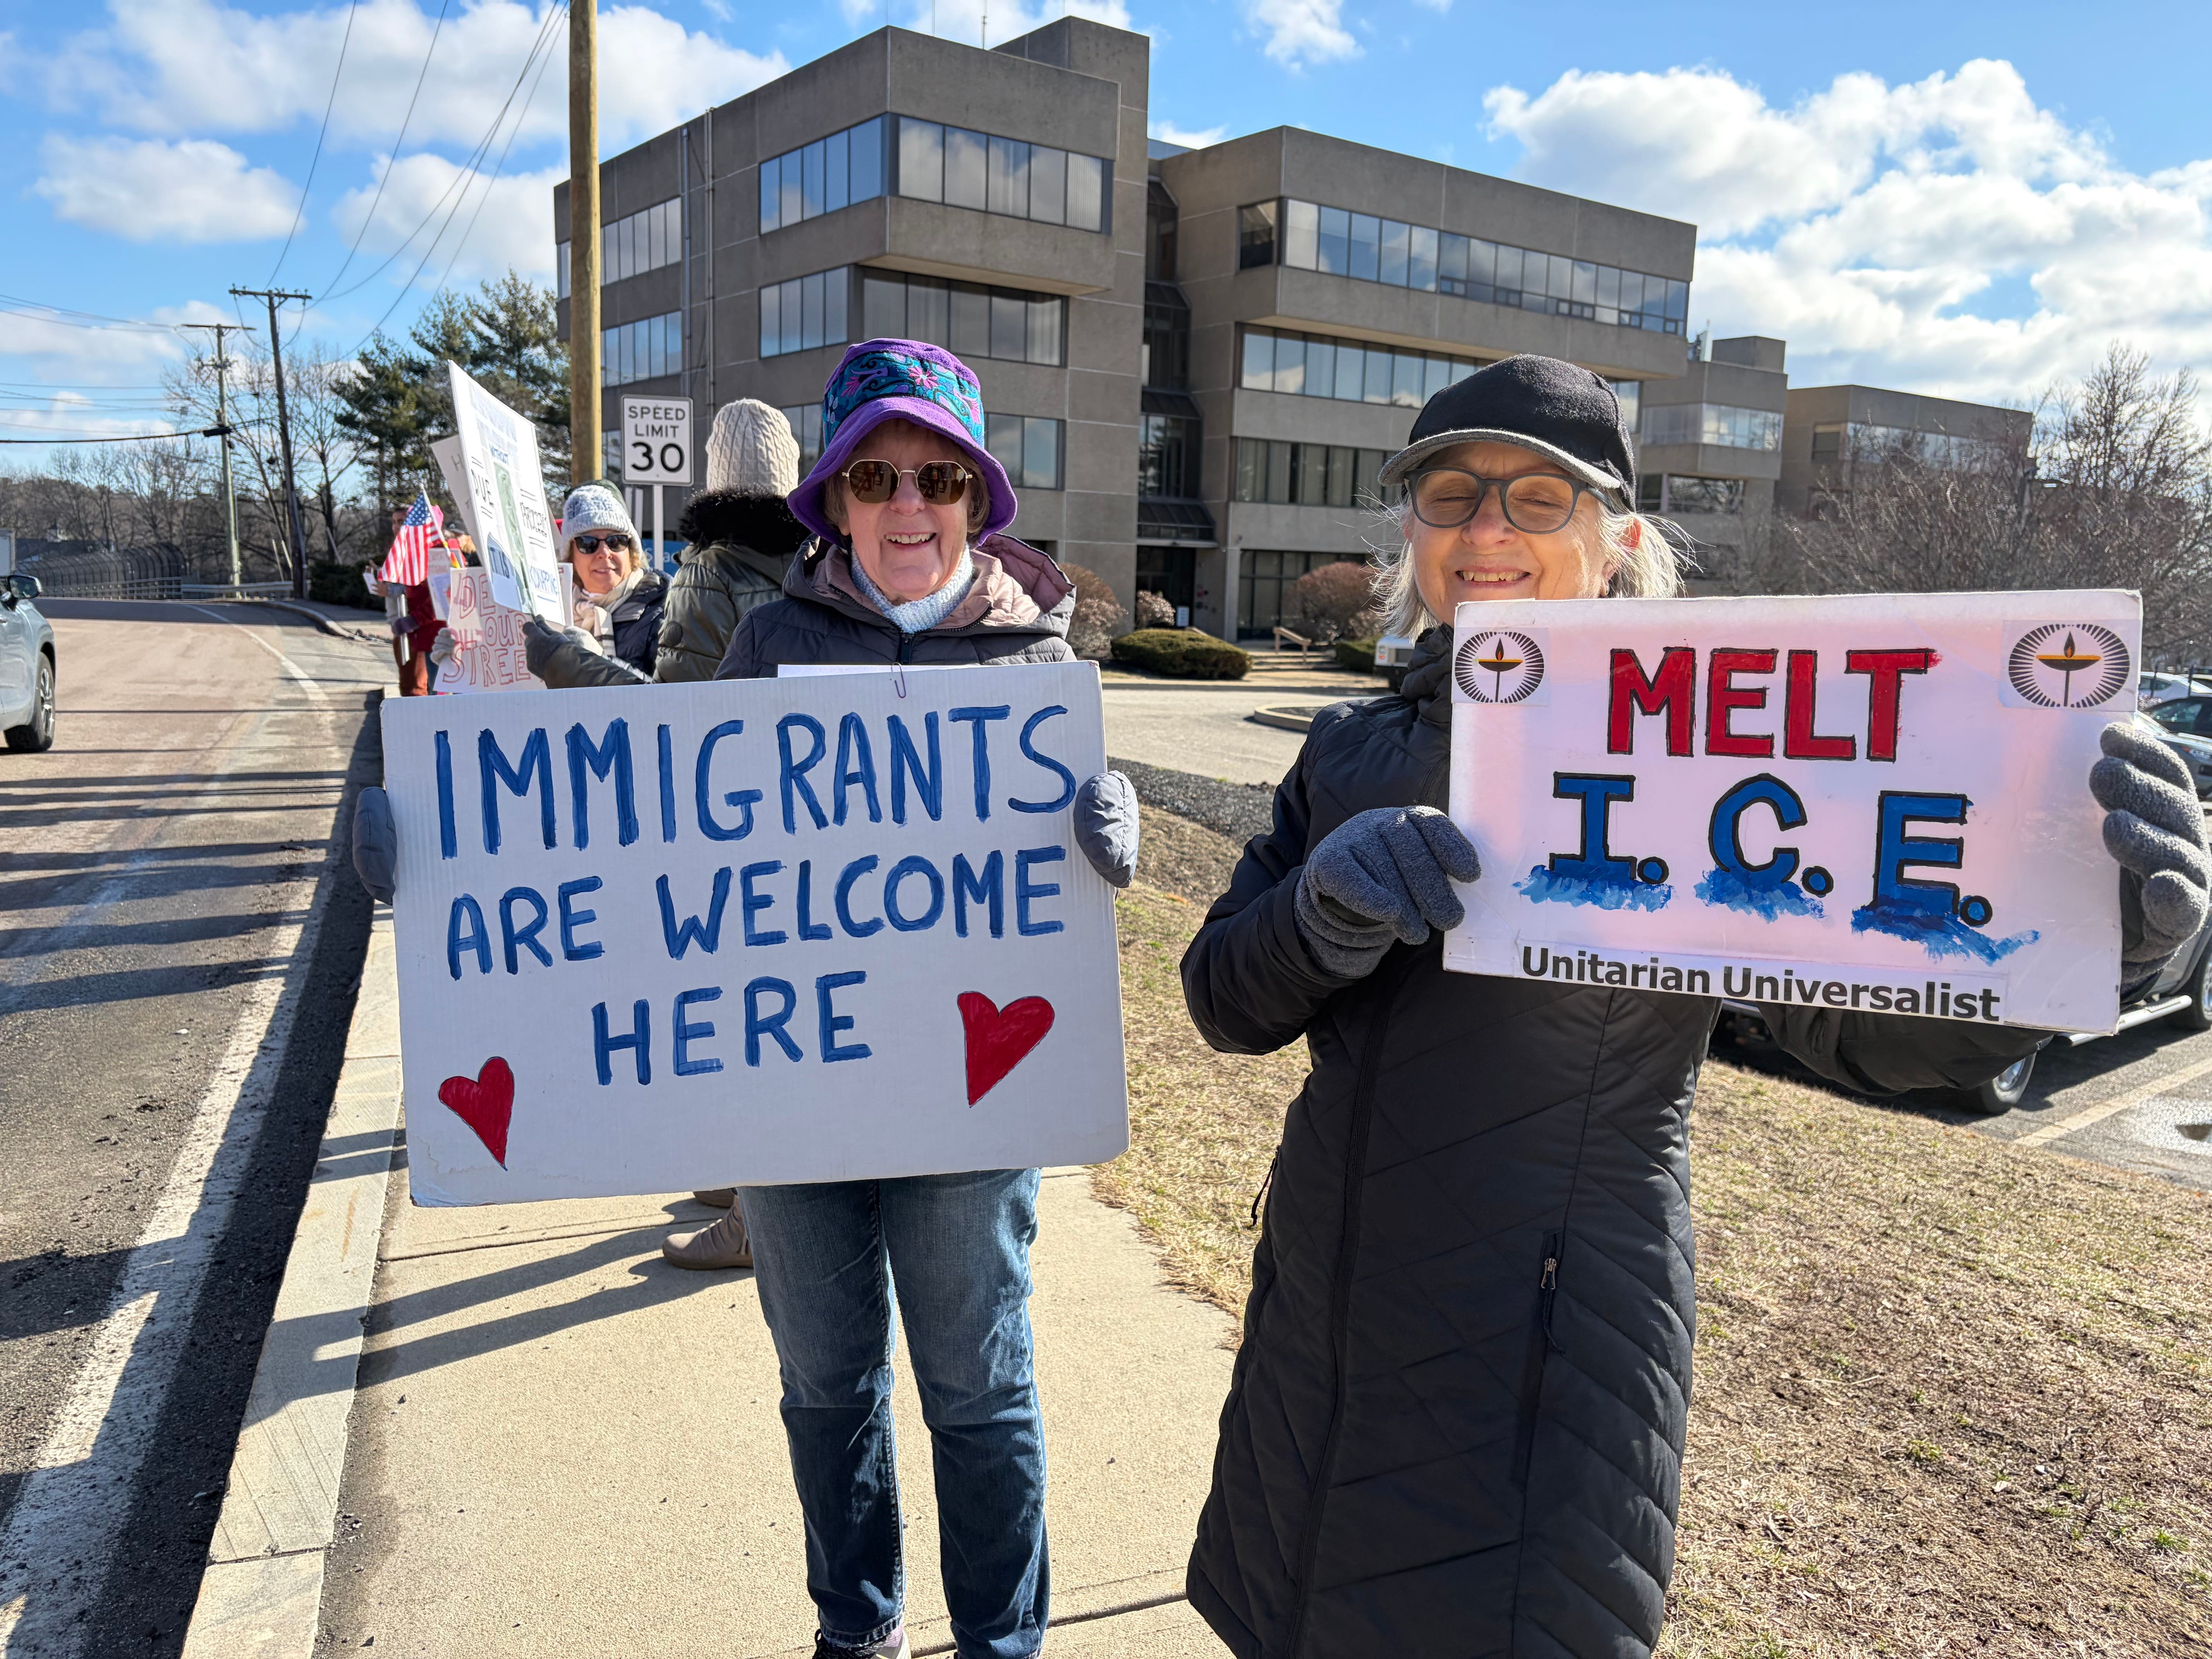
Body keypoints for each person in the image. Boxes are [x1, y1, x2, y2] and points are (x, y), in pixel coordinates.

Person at [1175, 354, 2212, 1659]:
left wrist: (2092, 940)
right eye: (1450, 494)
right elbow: (1225, 999)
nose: (1486, 528)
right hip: (1316, 1323)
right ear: (1413, 534)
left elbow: (1860, 1029)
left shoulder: (1697, 747)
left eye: (1537, 497)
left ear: (1616, 544)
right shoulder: (1346, 749)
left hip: (1545, 1348)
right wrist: (1315, 917)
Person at [711, 337, 1138, 1659]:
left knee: (976, 1385)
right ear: (836, 498)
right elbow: (667, 840)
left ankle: (1000, 1643)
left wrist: (1102, 835)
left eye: (939, 479)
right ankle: (858, 1627)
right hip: (796, 1087)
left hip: (972, 1094)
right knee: (824, 1380)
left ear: (975, 500)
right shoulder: (767, 640)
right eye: (877, 476)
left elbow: (1054, 890)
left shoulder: (1039, 658)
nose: (909, 505)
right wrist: (447, 848)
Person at [555, 482, 666, 678]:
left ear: (631, 550)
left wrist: (596, 661)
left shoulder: (665, 609)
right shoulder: (556, 615)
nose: (604, 553)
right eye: (588, 543)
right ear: (570, 556)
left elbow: (673, 693)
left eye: (616, 541)